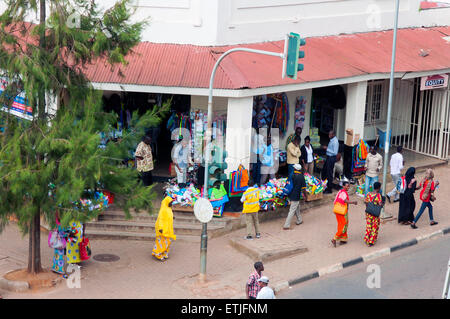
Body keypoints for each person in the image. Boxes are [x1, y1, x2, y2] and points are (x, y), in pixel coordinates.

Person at [331, 180, 357, 247]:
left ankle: (343, 239)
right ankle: (335, 238)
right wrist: (353, 202)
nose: (348, 187)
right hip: (342, 211)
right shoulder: (344, 193)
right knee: (344, 225)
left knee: (340, 224)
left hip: (338, 211)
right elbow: (345, 200)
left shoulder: (340, 192)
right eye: (347, 186)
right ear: (343, 186)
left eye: (349, 186)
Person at [152, 196, 176, 261]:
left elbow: (168, 216)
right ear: (166, 202)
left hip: (168, 228)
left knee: (167, 241)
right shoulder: (163, 209)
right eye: (170, 202)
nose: (171, 204)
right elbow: (160, 219)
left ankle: (164, 253)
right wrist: (160, 228)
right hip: (162, 229)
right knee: (162, 242)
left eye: (172, 202)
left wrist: (172, 217)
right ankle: (158, 254)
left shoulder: (169, 208)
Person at [283, 164, 307, 230]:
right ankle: (286, 225)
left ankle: (299, 220)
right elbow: (304, 188)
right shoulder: (301, 177)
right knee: (292, 210)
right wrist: (305, 196)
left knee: (297, 207)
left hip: (290, 194)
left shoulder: (291, 175)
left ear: (295, 169)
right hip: (296, 196)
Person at [364, 182, 384, 247]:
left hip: (368, 213)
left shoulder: (368, 194)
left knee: (369, 226)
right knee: (374, 227)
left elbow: (366, 202)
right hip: (375, 213)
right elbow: (380, 204)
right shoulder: (378, 195)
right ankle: (371, 241)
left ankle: (367, 239)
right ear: (378, 188)